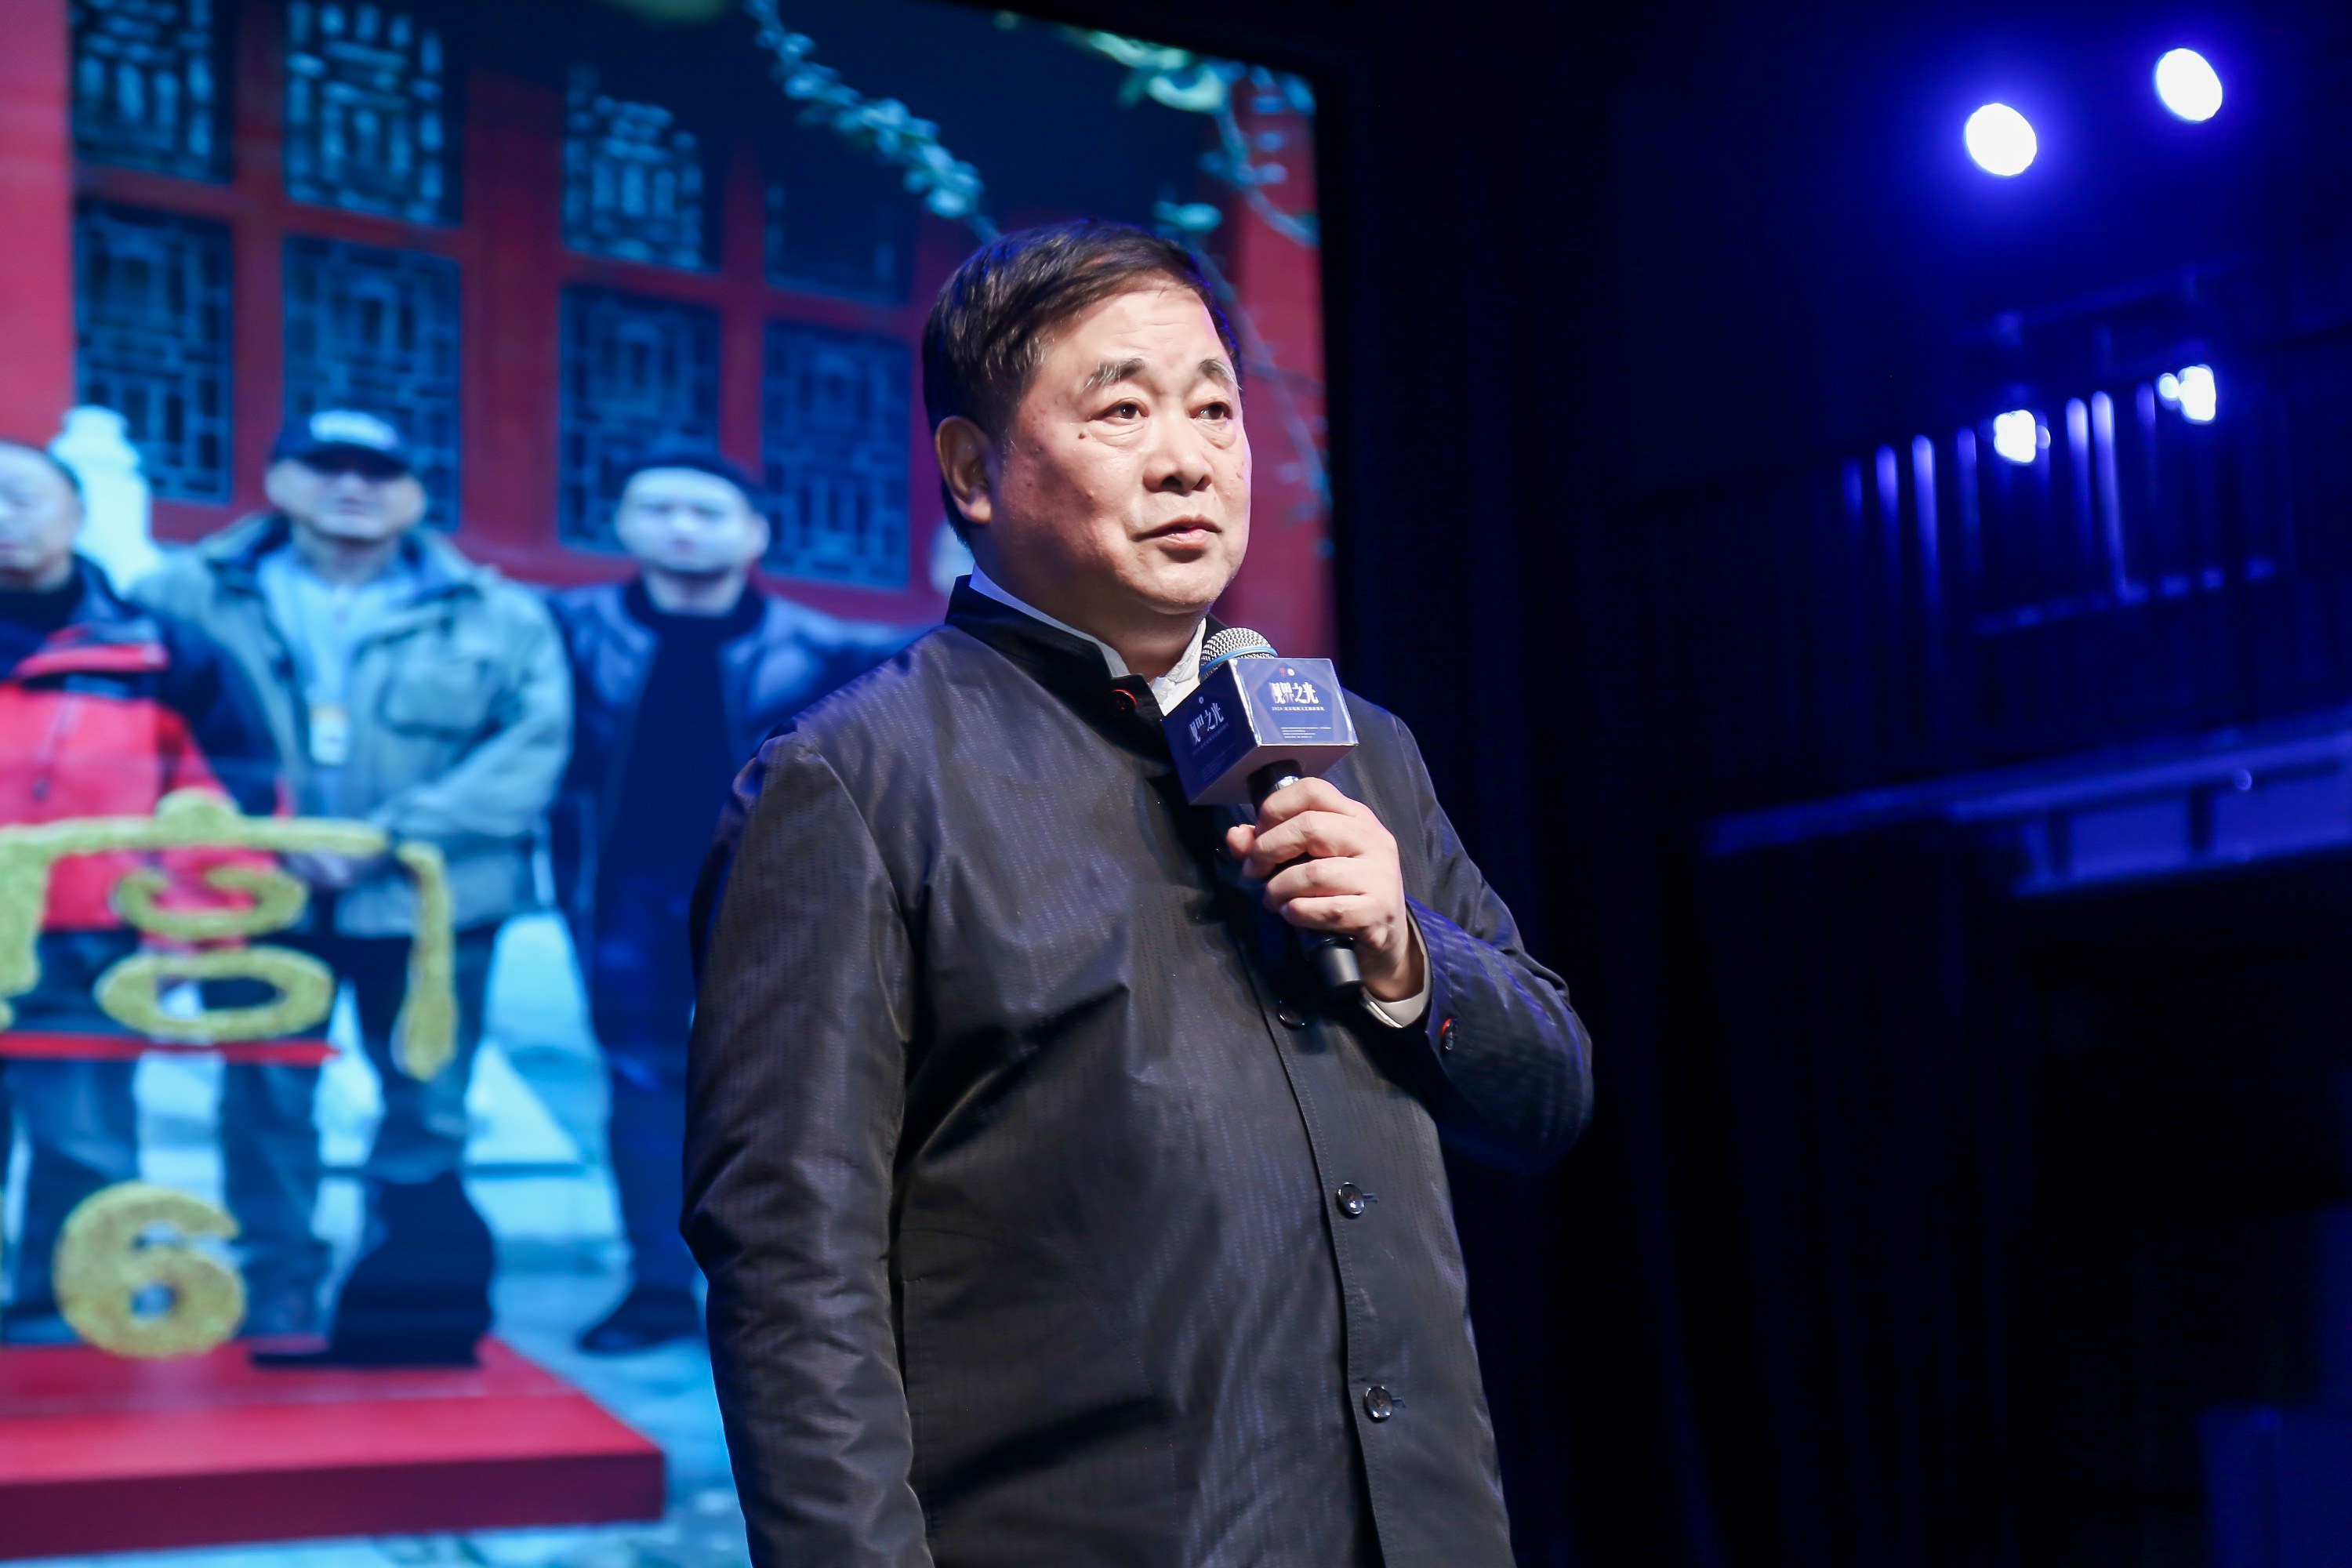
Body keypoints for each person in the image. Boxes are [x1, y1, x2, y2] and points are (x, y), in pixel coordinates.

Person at [684, 220, 1594, 1566]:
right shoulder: (850, 784)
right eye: (1123, 411)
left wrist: (1407, 954)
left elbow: (1550, 1095)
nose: (1189, 458)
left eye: (1215, 409)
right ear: (972, 470)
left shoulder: (1358, 748)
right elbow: (791, 1277)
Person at [134, 410, 570, 1352]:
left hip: (433, 904)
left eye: (378, 471)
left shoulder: (495, 613)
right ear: (277, 479)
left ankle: (402, 1291)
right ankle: (275, 1287)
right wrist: (249, 836)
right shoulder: (183, 592)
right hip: (254, 893)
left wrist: (390, 836)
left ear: (416, 492)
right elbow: (142, 733)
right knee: (264, 1095)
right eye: (325, 465)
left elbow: (532, 747)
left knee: (428, 1098)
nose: (352, 486)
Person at [550, 450, 909, 1354]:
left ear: (755, 533)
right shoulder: (568, 631)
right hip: (623, 897)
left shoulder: (826, 646)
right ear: (622, 523)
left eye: (707, 512)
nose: (682, 527)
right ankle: (655, 1285)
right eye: (659, 507)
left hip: (777, 896)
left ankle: (781, 1288)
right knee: (641, 1083)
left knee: (790, 1085)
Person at [0, 439, 277, 1342]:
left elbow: (231, 799)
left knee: (83, 1136)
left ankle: (64, 1311)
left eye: (19, 496)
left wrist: (194, 923)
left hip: (89, 937)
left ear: (79, 515)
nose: (2, 517)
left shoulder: (161, 651)